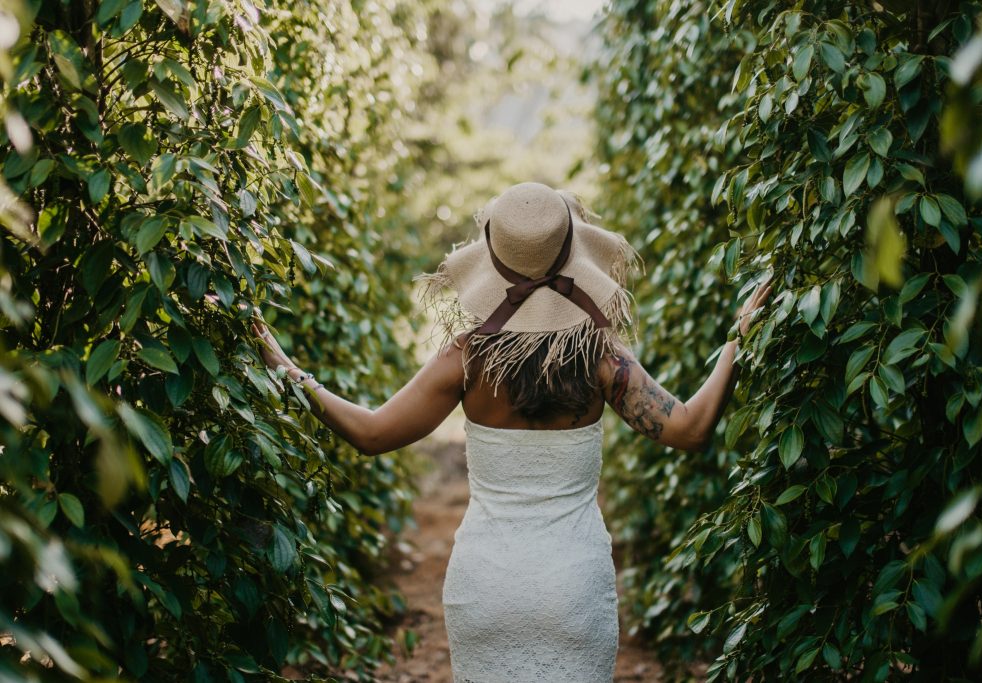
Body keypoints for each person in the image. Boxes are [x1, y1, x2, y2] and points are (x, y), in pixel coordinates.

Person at [252, 181, 771, 682]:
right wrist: (736, 341)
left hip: (486, 586)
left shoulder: (466, 356)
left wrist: (285, 368)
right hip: (573, 587)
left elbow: (370, 433)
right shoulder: (600, 357)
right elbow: (691, 428)